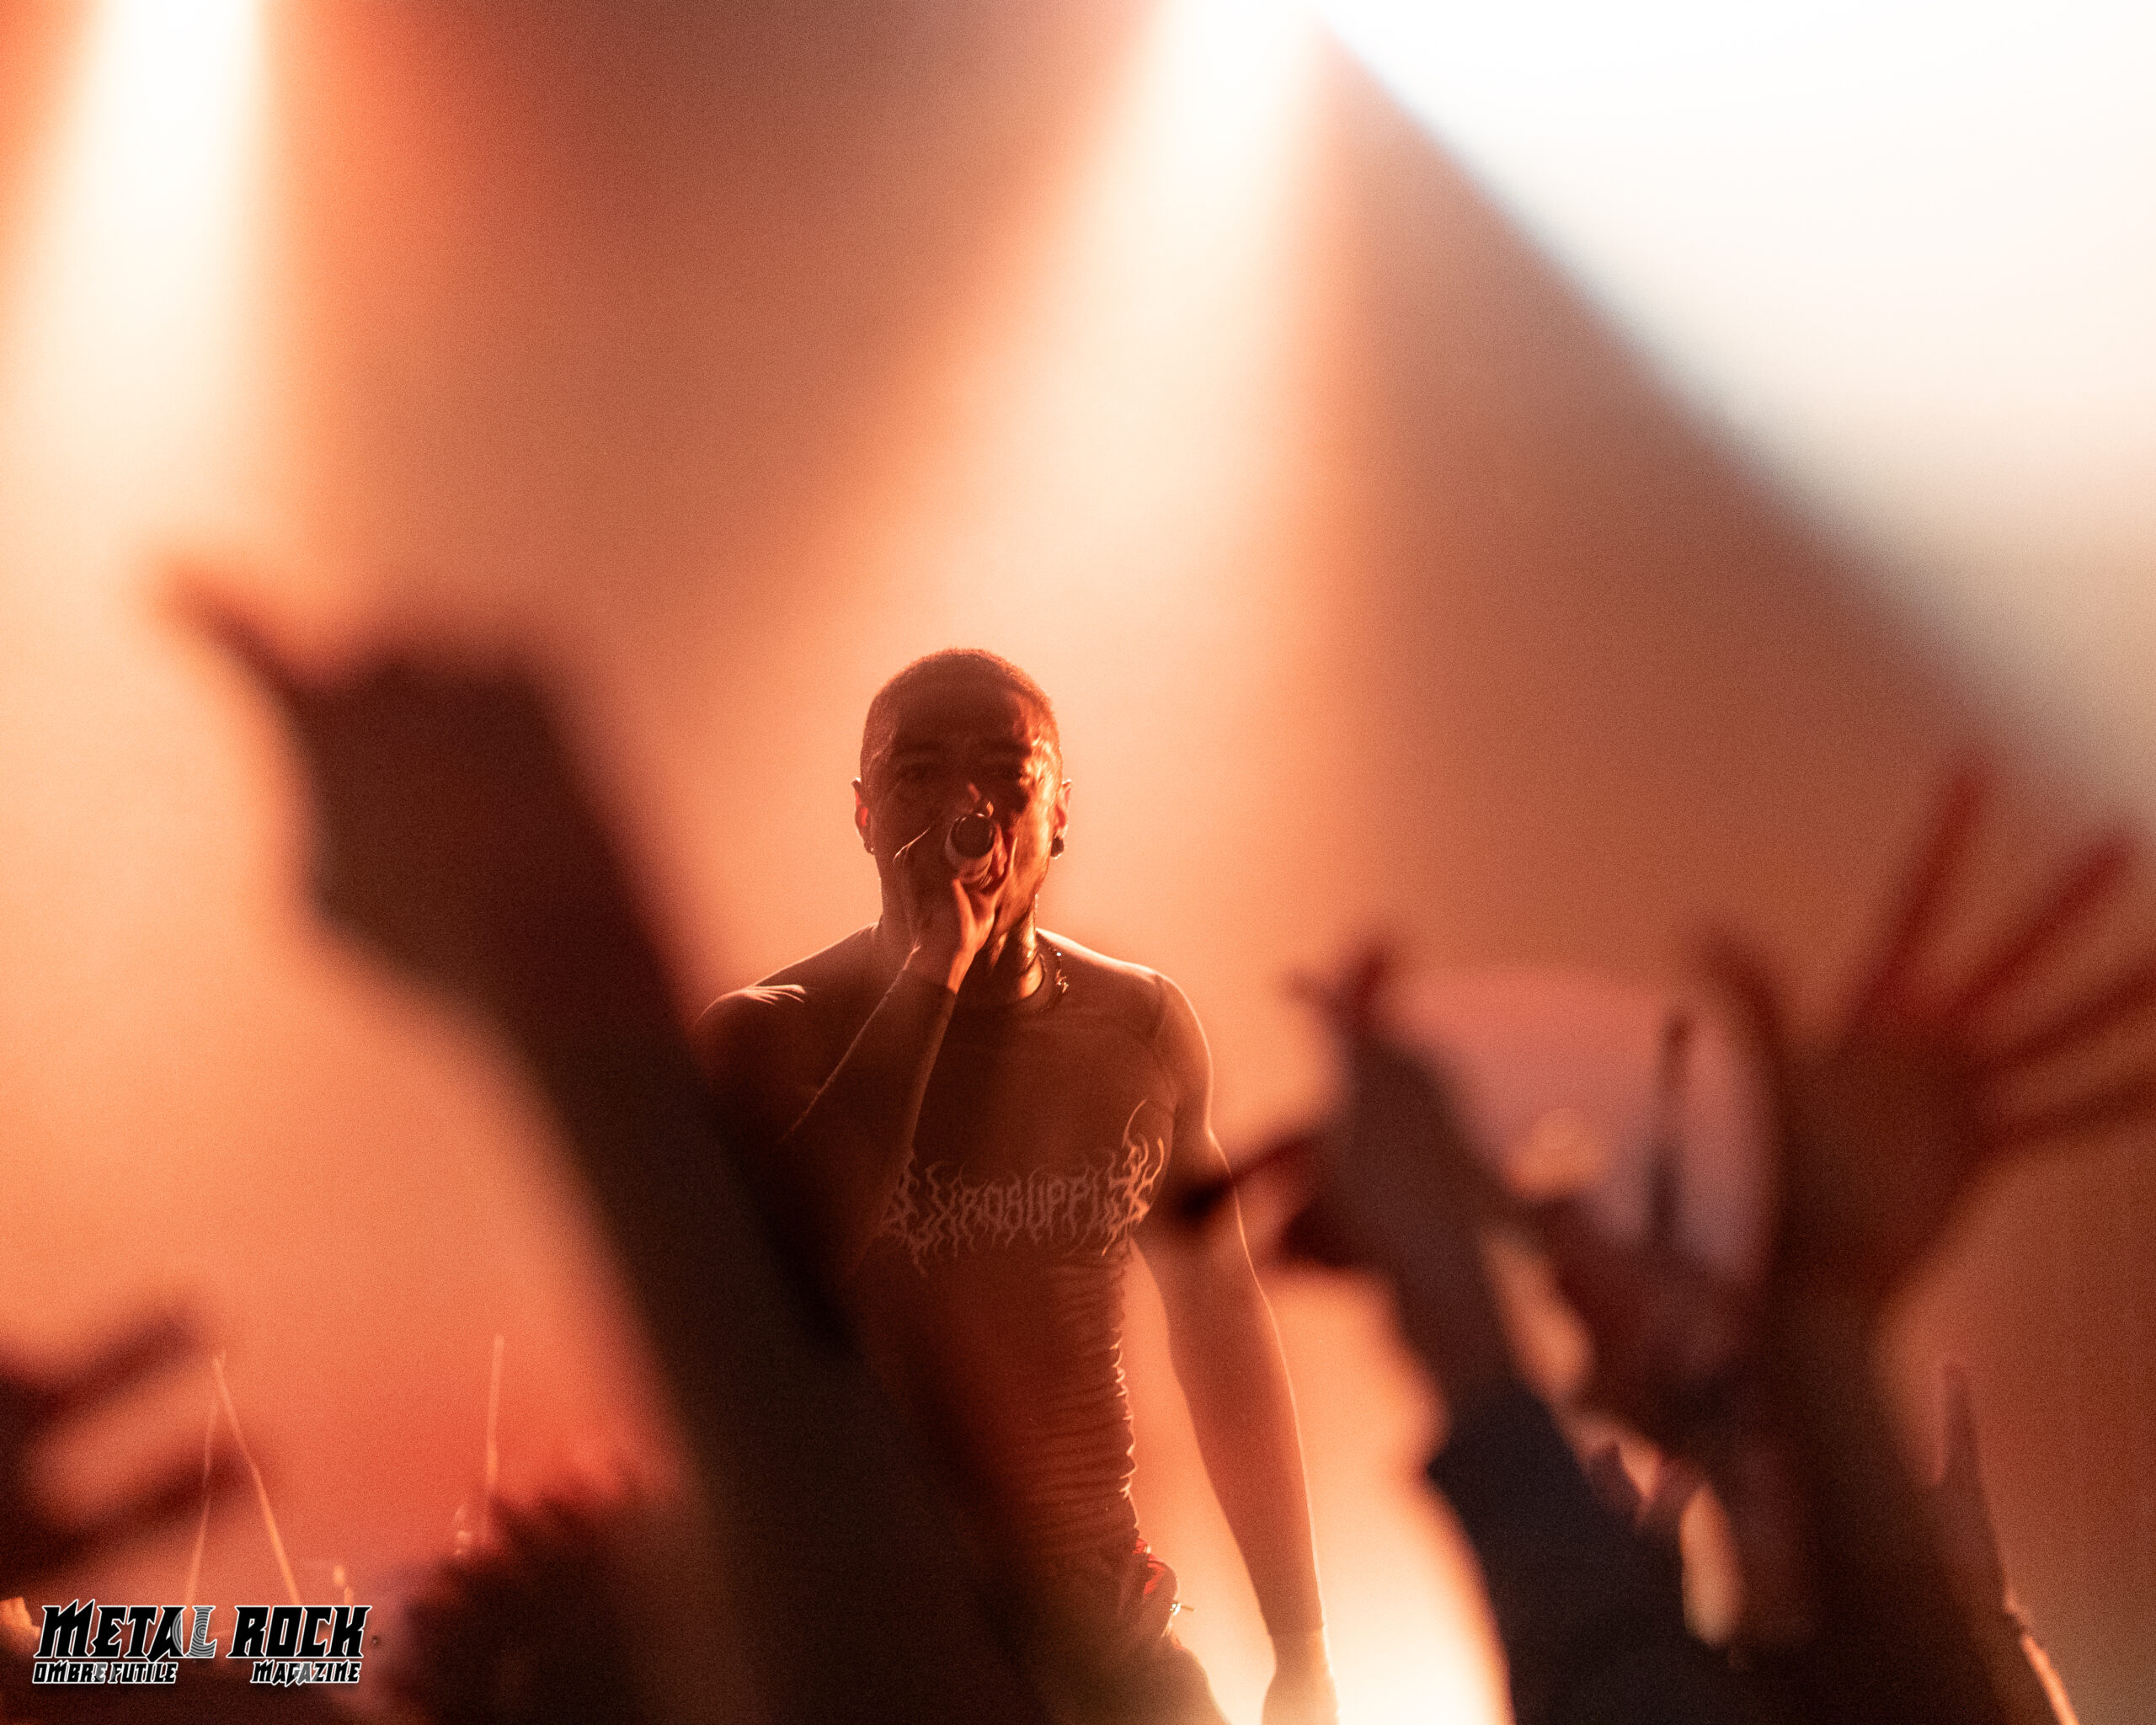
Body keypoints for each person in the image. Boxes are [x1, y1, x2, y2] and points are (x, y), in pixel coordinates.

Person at [695, 649, 1336, 1725]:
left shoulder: (1138, 1029)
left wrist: (1299, 1645)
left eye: (1006, 771)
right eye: (918, 772)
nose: (968, 804)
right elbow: (788, 1274)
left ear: (1059, 810)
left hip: (1107, 1635)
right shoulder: (770, 1035)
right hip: (877, 1656)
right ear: (863, 813)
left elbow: (1221, 1325)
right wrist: (931, 973)